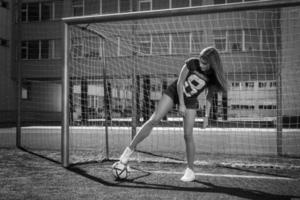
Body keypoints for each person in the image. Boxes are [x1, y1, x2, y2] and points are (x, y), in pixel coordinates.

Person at [114, 46, 228, 182]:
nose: (201, 64)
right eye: (201, 61)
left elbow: (209, 96)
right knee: (154, 119)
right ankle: (126, 154)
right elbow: (180, 83)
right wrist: (181, 104)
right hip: (175, 92)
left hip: (191, 100)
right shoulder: (192, 63)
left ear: (212, 64)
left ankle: (190, 171)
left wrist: (206, 117)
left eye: (205, 63)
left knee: (187, 134)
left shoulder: (213, 76)